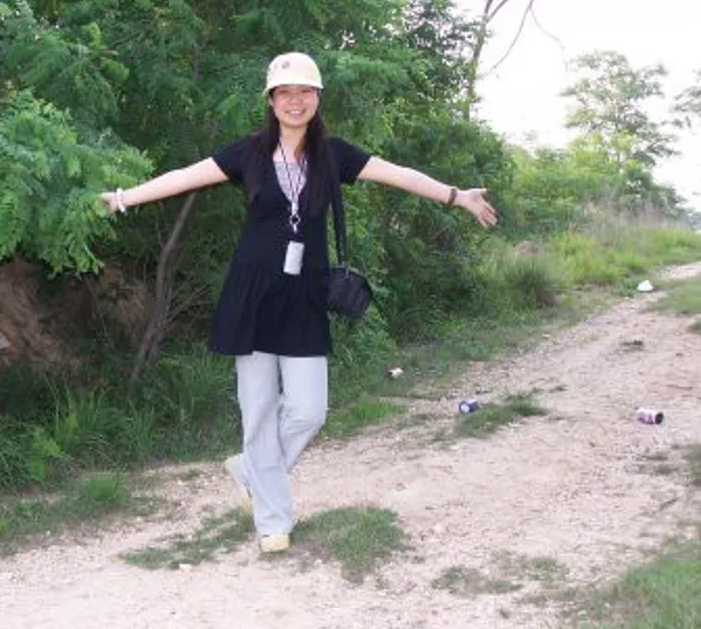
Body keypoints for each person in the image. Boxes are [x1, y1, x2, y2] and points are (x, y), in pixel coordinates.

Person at [101, 52, 498, 553]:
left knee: (309, 410)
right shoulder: (249, 153)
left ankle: (251, 469)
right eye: (285, 93)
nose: (295, 101)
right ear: (271, 100)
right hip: (252, 294)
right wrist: (123, 198)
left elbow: (397, 173)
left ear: (317, 98)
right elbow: (185, 175)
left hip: (305, 295)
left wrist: (456, 196)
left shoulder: (333, 154)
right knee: (258, 411)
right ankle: (273, 522)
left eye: (304, 91)